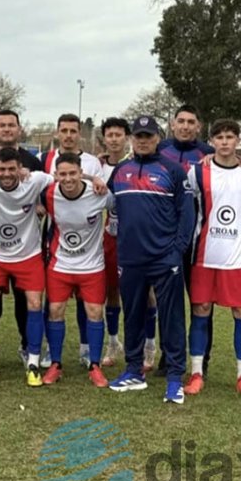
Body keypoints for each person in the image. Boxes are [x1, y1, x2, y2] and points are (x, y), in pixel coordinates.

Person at [107, 115, 194, 404]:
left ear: (158, 138)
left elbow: (187, 213)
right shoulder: (120, 171)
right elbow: (108, 204)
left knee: (171, 317)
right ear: (132, 139)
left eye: (148, 135)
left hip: (164, 258)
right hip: (130, 258)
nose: (143, 140)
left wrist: (177, 249)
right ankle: (134, 370)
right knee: (132, 314)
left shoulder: (173, 170)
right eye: (139, 136)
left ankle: (174, 377)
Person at [184, 119, 241, 399]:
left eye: (230, 137)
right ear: (211, 141)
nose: (225, 142)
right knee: (200, 310)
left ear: (238, 140)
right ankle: (196, 373)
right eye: (220, 137)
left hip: (239, 258)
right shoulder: (197, 172)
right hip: (205, 255)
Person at [0, 147, 54, 387]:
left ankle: (33, 363)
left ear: (20, 168)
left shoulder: (35, 180)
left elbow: (64, 178)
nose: (7, 174)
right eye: (2, 169)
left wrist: (93, 179)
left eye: (12, 169)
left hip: (29, 255)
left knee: (34, 303)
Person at [42, 153, 114, 388]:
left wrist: (114, 229)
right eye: (62, 174)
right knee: (55, 310)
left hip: (92, 265)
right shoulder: (49, 193)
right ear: (55, 175)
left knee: (94, 312)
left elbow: (116, 208)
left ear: (80, 172)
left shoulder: (99, 193)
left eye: (72, 173)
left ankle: (95, 366)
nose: (68, 178)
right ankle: (55, 364)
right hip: (61, 264)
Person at [154, 104, 216, 376]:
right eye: (181, 121)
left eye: (192, 122)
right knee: (167, 302)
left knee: (201, 301)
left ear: (199, 127)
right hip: (164, 241)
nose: (186, 126)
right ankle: (168, 356)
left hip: (200, 241)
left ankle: (202, 358)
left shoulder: (210, 154)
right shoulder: (159, 150)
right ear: (172, 123)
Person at [39, 113, 104, 368]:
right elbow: (38, 189)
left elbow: (100, 193)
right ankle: (49, 350)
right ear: (57, 132)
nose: (68, 135)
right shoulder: (45, 159)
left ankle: (87, 348)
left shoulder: (93, 163)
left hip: (87, 242)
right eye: (63, 130)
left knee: (86, 301)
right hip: (55, 235)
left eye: (72, 130)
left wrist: (90, 178)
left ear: (79, 133)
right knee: (53, 301)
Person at [97, 118, 130, 368]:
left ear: (126, 137)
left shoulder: (135, 163)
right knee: (111, 291)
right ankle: (112, 341)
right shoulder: (98, 167)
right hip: (109, 235)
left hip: (136, 236)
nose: (115, 139)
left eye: (119, 134)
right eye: (110, 135)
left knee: (143, 293)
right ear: (104, 138)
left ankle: (147, 345)